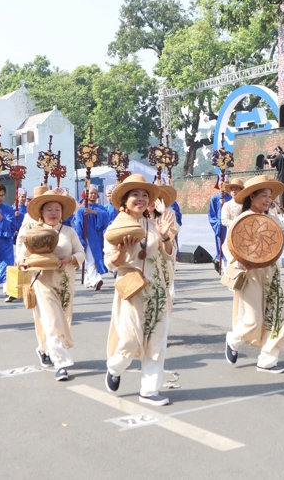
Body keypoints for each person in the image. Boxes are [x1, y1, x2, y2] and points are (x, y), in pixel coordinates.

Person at [103, 174, 176, 406]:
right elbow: (110, 263)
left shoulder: (156, 223)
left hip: (157, 289)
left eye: (145, 195)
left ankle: (150, 390)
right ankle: (115, 368)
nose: (141, 199)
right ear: (125, 200)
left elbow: (169, 255)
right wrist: (123, 252)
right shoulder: (116, 226)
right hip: (132, 290)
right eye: (136, 194)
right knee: (130, 340)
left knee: (157, 341)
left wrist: (165, 237)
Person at [222, 175, 284, 374]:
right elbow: (228, 246)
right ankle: (233, 340)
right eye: (264, 196)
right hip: (250, 272)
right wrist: (238, 261)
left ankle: (267, 360)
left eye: (270, 196)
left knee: (276, 314)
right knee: (253, 319)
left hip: (272, 272)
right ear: (251, 197)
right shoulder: (241, 219)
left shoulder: (272, 218)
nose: (268, 200)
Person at [17, 187, 85, 381]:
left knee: (62, 320)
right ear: (41, 213)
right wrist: (22, 261)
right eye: (49, 209)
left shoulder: (69, 232)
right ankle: (61, 363)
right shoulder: (34, 233)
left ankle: (43, 348)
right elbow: (24, 255)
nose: (54, 213)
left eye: (57, 209)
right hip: (43, 281)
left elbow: (80, 253)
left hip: (65, 282)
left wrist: (70, 258)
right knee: (52, 321)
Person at [74, 184, 109, 291]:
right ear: (86, 195)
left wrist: (94, 212)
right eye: (91, 193)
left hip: (99, 237)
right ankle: (96, 280)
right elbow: (78, 225)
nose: (93, 195)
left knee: (96, 257)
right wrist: (81, 240)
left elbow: (105, 217)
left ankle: (88, 280)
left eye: (95, 193)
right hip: (88, 238)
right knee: (91, 258)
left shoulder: (100, 208)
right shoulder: (81, 210)